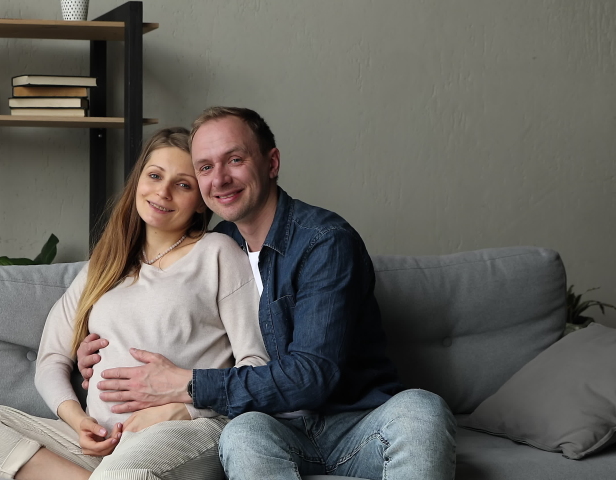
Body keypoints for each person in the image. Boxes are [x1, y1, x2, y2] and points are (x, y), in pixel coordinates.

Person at [77, 107, 457, 480]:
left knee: (422, 410)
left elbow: (312, 376)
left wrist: (190, 385)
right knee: (243, 434)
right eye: (205, 167)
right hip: (272, 429)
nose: (220, 179)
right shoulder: (216, 248)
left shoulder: (324, 241)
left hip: (355, 422)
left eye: (235, 160)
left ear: (271, 163)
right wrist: (99, 351)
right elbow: (176, 324)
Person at [0, 127, 269, 480]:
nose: (163, 192)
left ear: (202, 200)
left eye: (183, 184)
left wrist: (183, 409)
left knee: (124, 473)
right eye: (155, 176)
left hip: (184, 430)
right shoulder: (105, 264)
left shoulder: (217, 253)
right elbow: (51, 358)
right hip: (101, 444)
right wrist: (79, 422)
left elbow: (257, 365)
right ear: (138, 181)